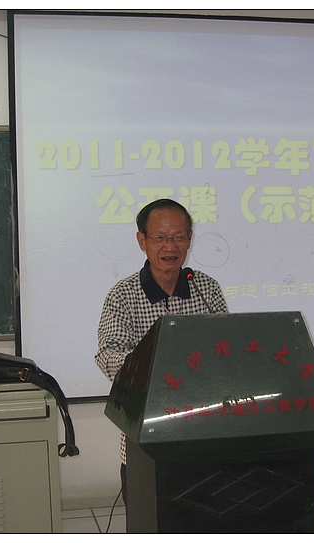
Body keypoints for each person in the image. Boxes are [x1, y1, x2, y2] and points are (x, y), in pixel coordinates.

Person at [95, 198, 228, 503]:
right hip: (147, 432)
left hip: (203, 430)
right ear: (142, 241)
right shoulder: (123, 295)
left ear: (189, 240)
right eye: (160, 238)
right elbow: (108, 354)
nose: (170, 247)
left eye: (179, 237)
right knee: (147, 516)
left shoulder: (206, 289)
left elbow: (225, 347)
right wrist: (154, 369)